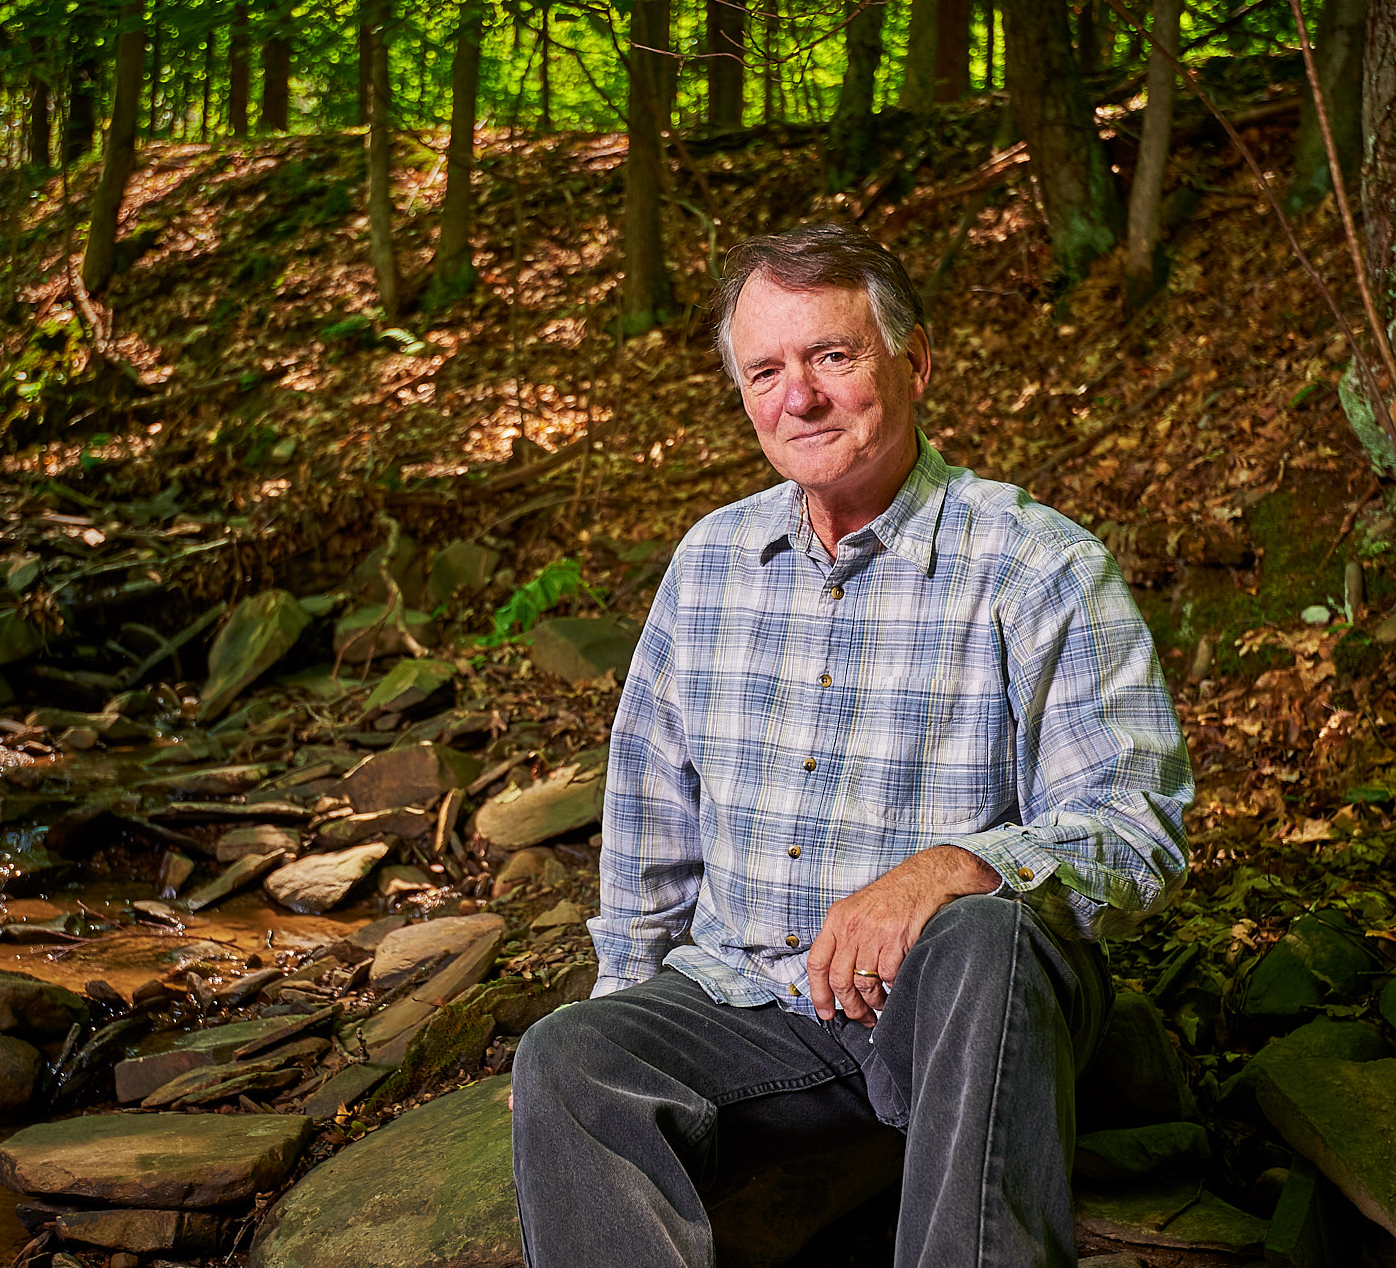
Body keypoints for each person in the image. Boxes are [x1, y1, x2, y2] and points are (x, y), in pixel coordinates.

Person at [508, 223, 1193, 1267]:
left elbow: (1136, 829)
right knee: (568, 1054)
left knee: (982, 932)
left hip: (956, 1014)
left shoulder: (1037, 565)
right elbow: (649, 822)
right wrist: (631, 1006)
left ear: (911, 362)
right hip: (754, 1014)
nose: (800, 396)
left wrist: (953, 867)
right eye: (766, 370)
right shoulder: (711, 563)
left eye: (832, 355)